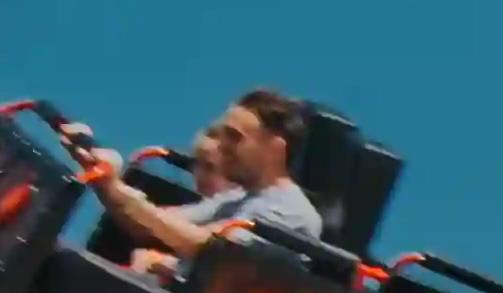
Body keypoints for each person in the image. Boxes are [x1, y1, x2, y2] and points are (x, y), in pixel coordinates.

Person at [72, 88, 330, 276]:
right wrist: (103, 178)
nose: (222, 146)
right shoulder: (236, 199)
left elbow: (208, 249)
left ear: (275, 149)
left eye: (234, 137)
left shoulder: (292, 213)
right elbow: (149, 225)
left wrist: (120, 191)